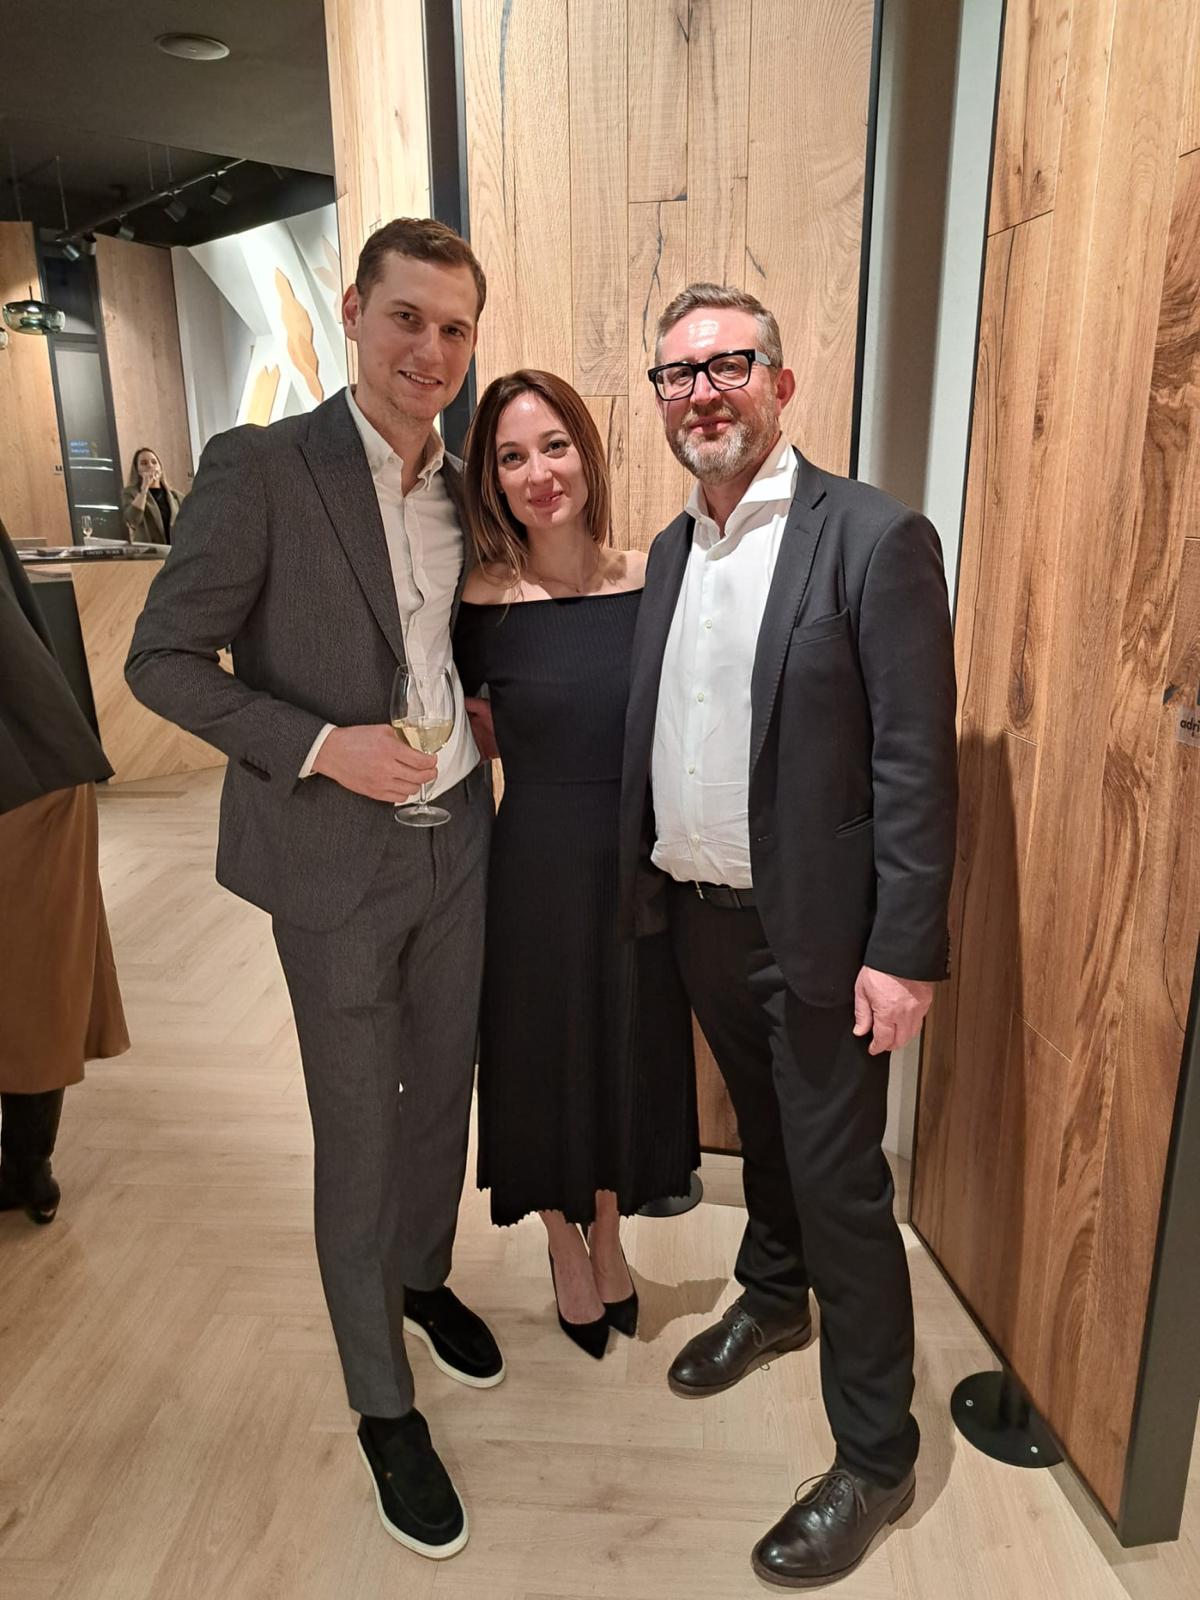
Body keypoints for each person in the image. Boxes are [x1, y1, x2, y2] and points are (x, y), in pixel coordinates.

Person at [126, 219, 504, 1564]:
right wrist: (316, 746)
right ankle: (381, 1402)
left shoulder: (469, 486)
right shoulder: (263, 467)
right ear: (352, 312)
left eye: (455, 328)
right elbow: (161, 660)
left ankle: (421, 1276)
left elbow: (455, 638)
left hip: (461, 833)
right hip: (333, 853)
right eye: (408, 318)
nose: (431, 351)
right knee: (357, 1124)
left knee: (442, 1089)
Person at [618, 284, 957, 1587]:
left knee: (841, 1184)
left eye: (728, 364)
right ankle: (771, 1295)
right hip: (700, 917)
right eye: (678, 373)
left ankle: (877, 1453)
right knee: (763, 1136)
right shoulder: (669, 551)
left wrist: (906, 949)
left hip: (823, 935)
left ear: (780, 381)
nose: (702, 392)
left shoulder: (873, 537)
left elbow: (915, 760)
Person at [454, 370, 698, 1360]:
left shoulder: (654, 578)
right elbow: (460, 729)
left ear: (586, 454)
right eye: (512, 457)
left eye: (553, 445)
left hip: (638, 858)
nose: (538, 473)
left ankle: (608, 1226)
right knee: (538, 1051)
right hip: (534, 863)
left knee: (621, 1043)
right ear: (492, 480)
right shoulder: (479, 603)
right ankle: (561, 1239)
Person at [0, 519, 129, 1223]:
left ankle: (27, 1169)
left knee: (33, 988)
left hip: (30, 779)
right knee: (36, 983)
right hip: (44, 762)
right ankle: (27, 1169)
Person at [120, 447, 184, 543]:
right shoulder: (131, 493)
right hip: (150, 550)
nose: (150, 466)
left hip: (176, 549)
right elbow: (132, 520)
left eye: (154, 462)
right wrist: (144, 488)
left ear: (160, 468)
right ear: (137, 470)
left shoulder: (177, 497)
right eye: (144, 463)